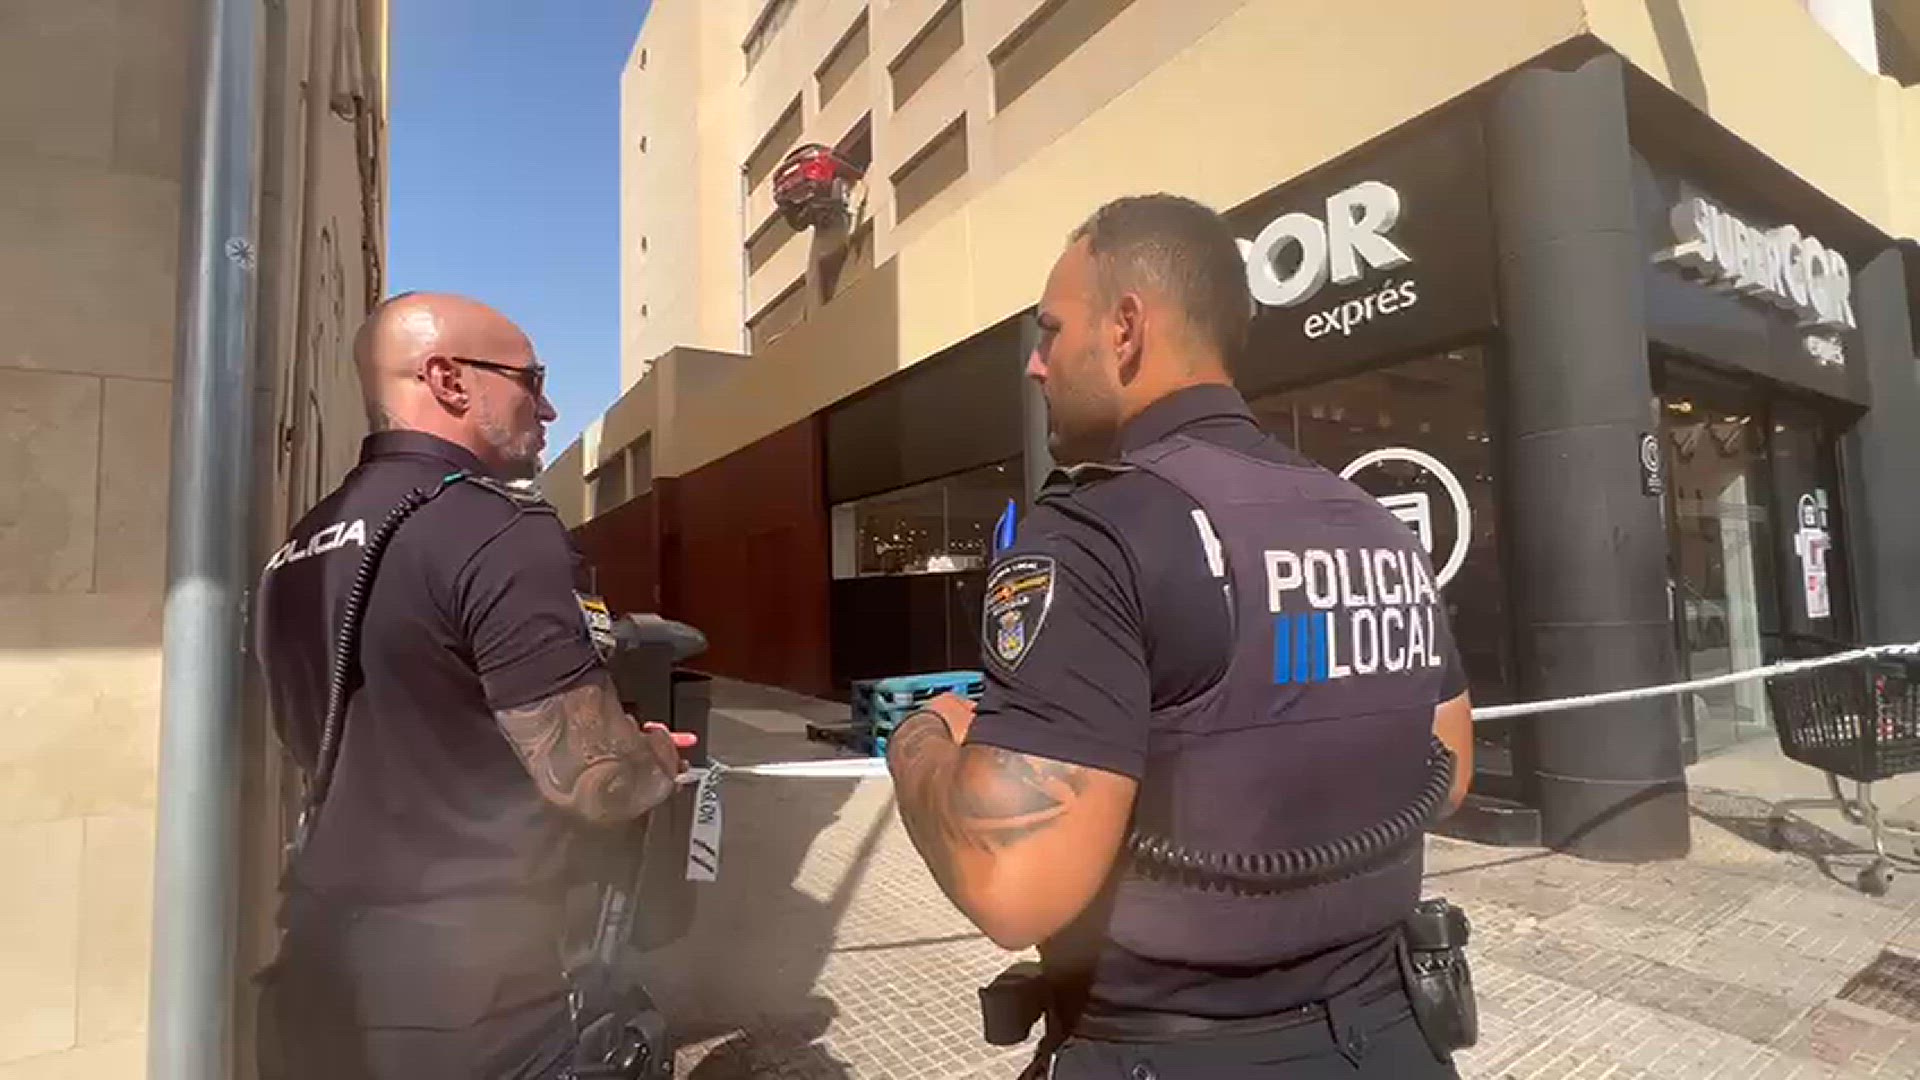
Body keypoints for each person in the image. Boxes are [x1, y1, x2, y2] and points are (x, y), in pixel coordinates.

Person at [886, 195, 1476, 1078]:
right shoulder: (1374, 524)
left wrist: (924, 742)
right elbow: (1451, 769)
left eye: (1051, 332)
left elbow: (1011, 884)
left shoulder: (1093, 532)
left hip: (1166, 1053)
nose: (1037, 367)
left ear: (1125, 328)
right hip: (1395, 1046)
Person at [252, 291, 695, 1080]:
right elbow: (597, 783)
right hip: (476, 1011)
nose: (550, 406)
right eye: (531, 380)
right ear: (449, 380)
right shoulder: (497, 529)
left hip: (316, 981)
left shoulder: (299, 546)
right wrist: (654, 755)